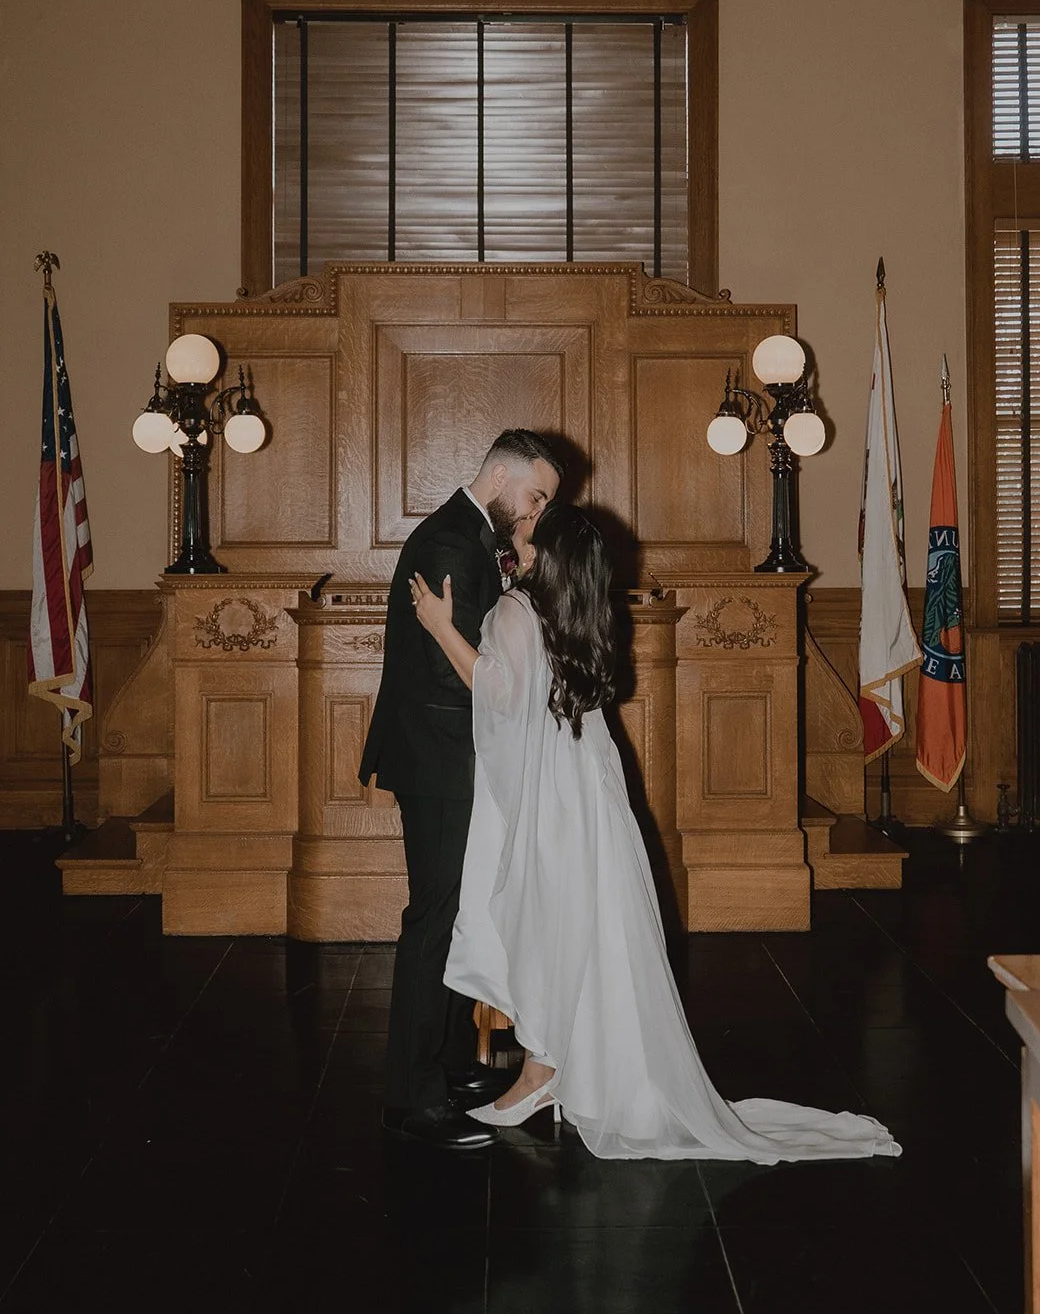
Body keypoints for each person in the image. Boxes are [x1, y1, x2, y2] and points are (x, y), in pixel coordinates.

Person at [411, 502, 902, 1163]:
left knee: (543, 922)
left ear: (544, 552)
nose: (518, 525)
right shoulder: (579, 611)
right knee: (585, 926)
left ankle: (543, 1071)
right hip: (590, 784)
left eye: (529, 524)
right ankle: (549, 1068)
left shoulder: (515, 613)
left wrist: (442, 628)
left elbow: (497, 697)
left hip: (552, 797)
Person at [359, 430, 563, 1150]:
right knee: (435, 918)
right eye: (534, 495)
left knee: (454, 913)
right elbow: (455, 674)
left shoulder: (469, 534)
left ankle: (444, 1066)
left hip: (450, 755)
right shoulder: (453, 541)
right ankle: (410, 1096)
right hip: (443, 758)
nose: (535, 510)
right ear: (501, 475)